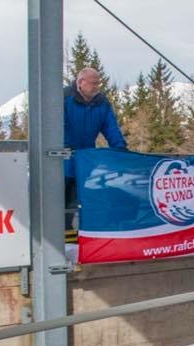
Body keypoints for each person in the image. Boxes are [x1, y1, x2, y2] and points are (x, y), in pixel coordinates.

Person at [64, 67, 127, 230]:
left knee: (80, 199)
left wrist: (120, 148)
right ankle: (59, 234)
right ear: (80, 82)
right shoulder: (64, 98)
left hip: (85, 161)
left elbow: (111, 127)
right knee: (59, 199)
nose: (96, 87)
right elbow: (57, 126)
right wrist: (65, 146)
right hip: (62, 159)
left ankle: (81, 234)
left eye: (98, 83)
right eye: (93, 83)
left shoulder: (101, 103)